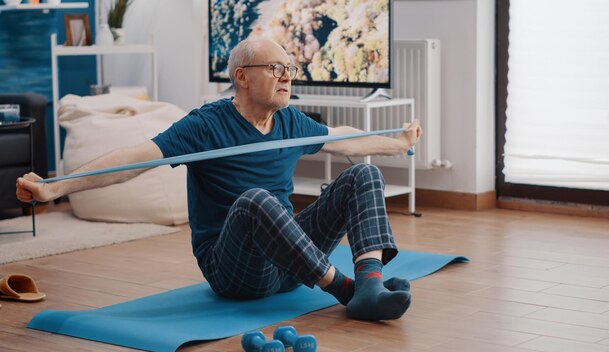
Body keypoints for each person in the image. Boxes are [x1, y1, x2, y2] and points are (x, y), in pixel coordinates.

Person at [16, 39, 422, 321]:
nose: (287, 77)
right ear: (242, 77)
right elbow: (133, 159)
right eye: (276, 69)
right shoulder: (205, 125)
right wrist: (56, 186)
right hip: (237, 271)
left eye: (290, 69)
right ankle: (346, 291)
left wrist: (400, 142)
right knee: (256, 200)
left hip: (293, 262)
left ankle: (369, 285)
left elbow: (345, 140)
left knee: (363, 174)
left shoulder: (289, 121)